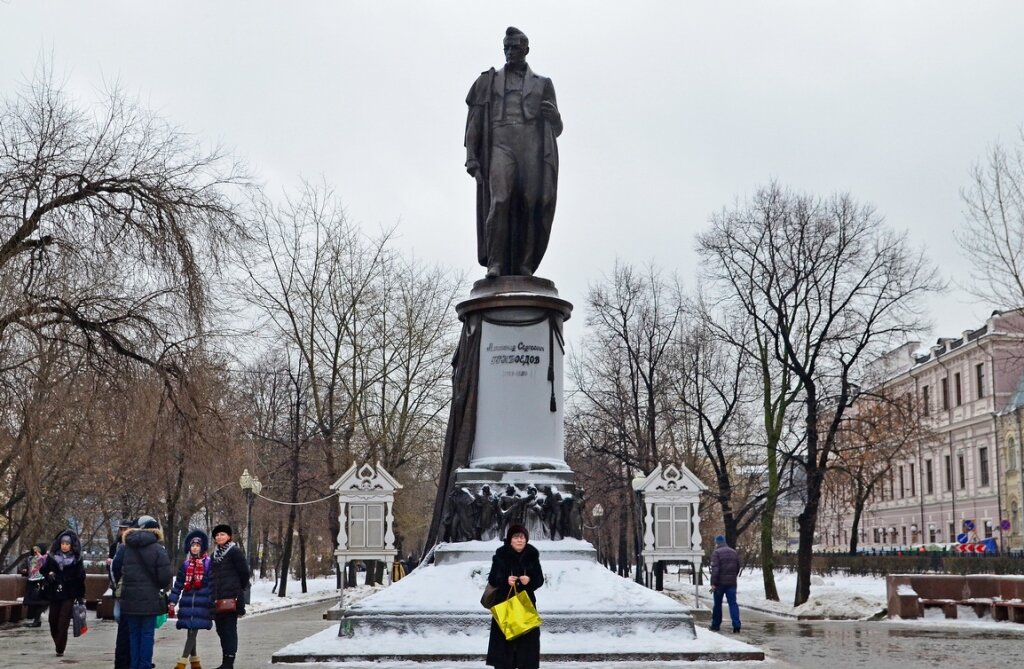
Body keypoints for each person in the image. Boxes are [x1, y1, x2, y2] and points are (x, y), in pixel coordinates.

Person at [465, 26, 563, 278]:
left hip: (531, 145)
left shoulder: (543, 84)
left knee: (531, 203)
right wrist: (472, 156)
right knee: (500, 200)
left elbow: (557, 128)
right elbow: (475, 119)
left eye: (514, 48)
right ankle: (495, 263)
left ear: (526, 50)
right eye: (506, 48)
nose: (509, 52)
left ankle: (525, 265)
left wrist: (556, 118)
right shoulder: (489, 81)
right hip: (500, 143)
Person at [116, 515, 172, 669]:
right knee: (147, 635)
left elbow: (116, 569)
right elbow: (165, 577)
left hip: (129, 598)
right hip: (150, 600)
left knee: (134, 635)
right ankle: (144, 666)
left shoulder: (127, 547)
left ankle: (134, 665)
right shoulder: (158, 550)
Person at [486, 524, 544, 669]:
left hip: (525, 606)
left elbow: (540, 579)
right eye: (516, 537)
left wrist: (529, 580)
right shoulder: (501, 555)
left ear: (526, 539)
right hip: (505, 604)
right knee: (504, 648)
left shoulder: (532, 555)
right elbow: (492, 578)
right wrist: (505, 580)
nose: (519, 540)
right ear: (510, 540)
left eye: (522, 537)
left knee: (527, 647)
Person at [168, 530, 214, 669]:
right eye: (192, 545)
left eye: (197, 545)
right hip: (188, 602)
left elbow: (212, 585)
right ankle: (195, 663)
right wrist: (172, 601)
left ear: (202, 547)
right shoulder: (186, 564)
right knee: (191, 630)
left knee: (192, 631)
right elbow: (178, 585)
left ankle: (181, 664)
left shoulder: (208, 564)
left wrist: (212, 602)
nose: (194, 547)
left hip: (202, 603)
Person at [39, 530, 86, 657]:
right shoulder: (52, 557)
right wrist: (48, 574)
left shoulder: (77, 559)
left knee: (63, 621)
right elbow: (43, 569)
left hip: (69, 593)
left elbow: (81, 577)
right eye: (62, 543)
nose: (64, 545)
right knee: (52, 620)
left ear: (71, 545)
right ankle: (57, 643)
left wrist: (80, 596)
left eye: (67, 543)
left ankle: (60, 647)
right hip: (54, 592)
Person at [209, 524, 250, 669]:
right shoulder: (214, 555)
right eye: (217, 535)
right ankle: (225, 660)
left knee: (229, 630)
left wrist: (238, 590)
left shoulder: (234, 552)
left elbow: (244, 573)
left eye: (223, 534)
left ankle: (229, 662)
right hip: (217, 599)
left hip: (232, 598)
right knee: (221, 630)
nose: (220, 537)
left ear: (229, 537)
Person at [109, 519, 135, 669]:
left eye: (125, 529)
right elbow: (114, 568)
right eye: (121, 529)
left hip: (127, 591)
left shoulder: (130, 547)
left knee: (125, 623)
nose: (123, 532)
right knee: (120, 618)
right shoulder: (117, 546)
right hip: (120, 589)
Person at [709, 534, 741, 633]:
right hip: (731, 583)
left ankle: (716, 625)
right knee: (733, 604)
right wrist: (732, 577)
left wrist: (713, 583)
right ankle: (736, 625)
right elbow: (737, 567)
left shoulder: (716, 553)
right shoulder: (733, 552)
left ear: (717, 542)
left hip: (719, 584)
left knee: (717, 604)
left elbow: (715, 569)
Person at [22, 543, 49, 627]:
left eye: (37, 549)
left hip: (41, 581)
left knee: (39, 602)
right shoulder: (30, 558)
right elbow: (28, 569)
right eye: (34, 549)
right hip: (31, 582)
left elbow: (48, 568)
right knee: (33, 602)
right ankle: (37, 620)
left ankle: (36, 621)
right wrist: (25, 571)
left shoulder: (45, 558)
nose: (35, 551)